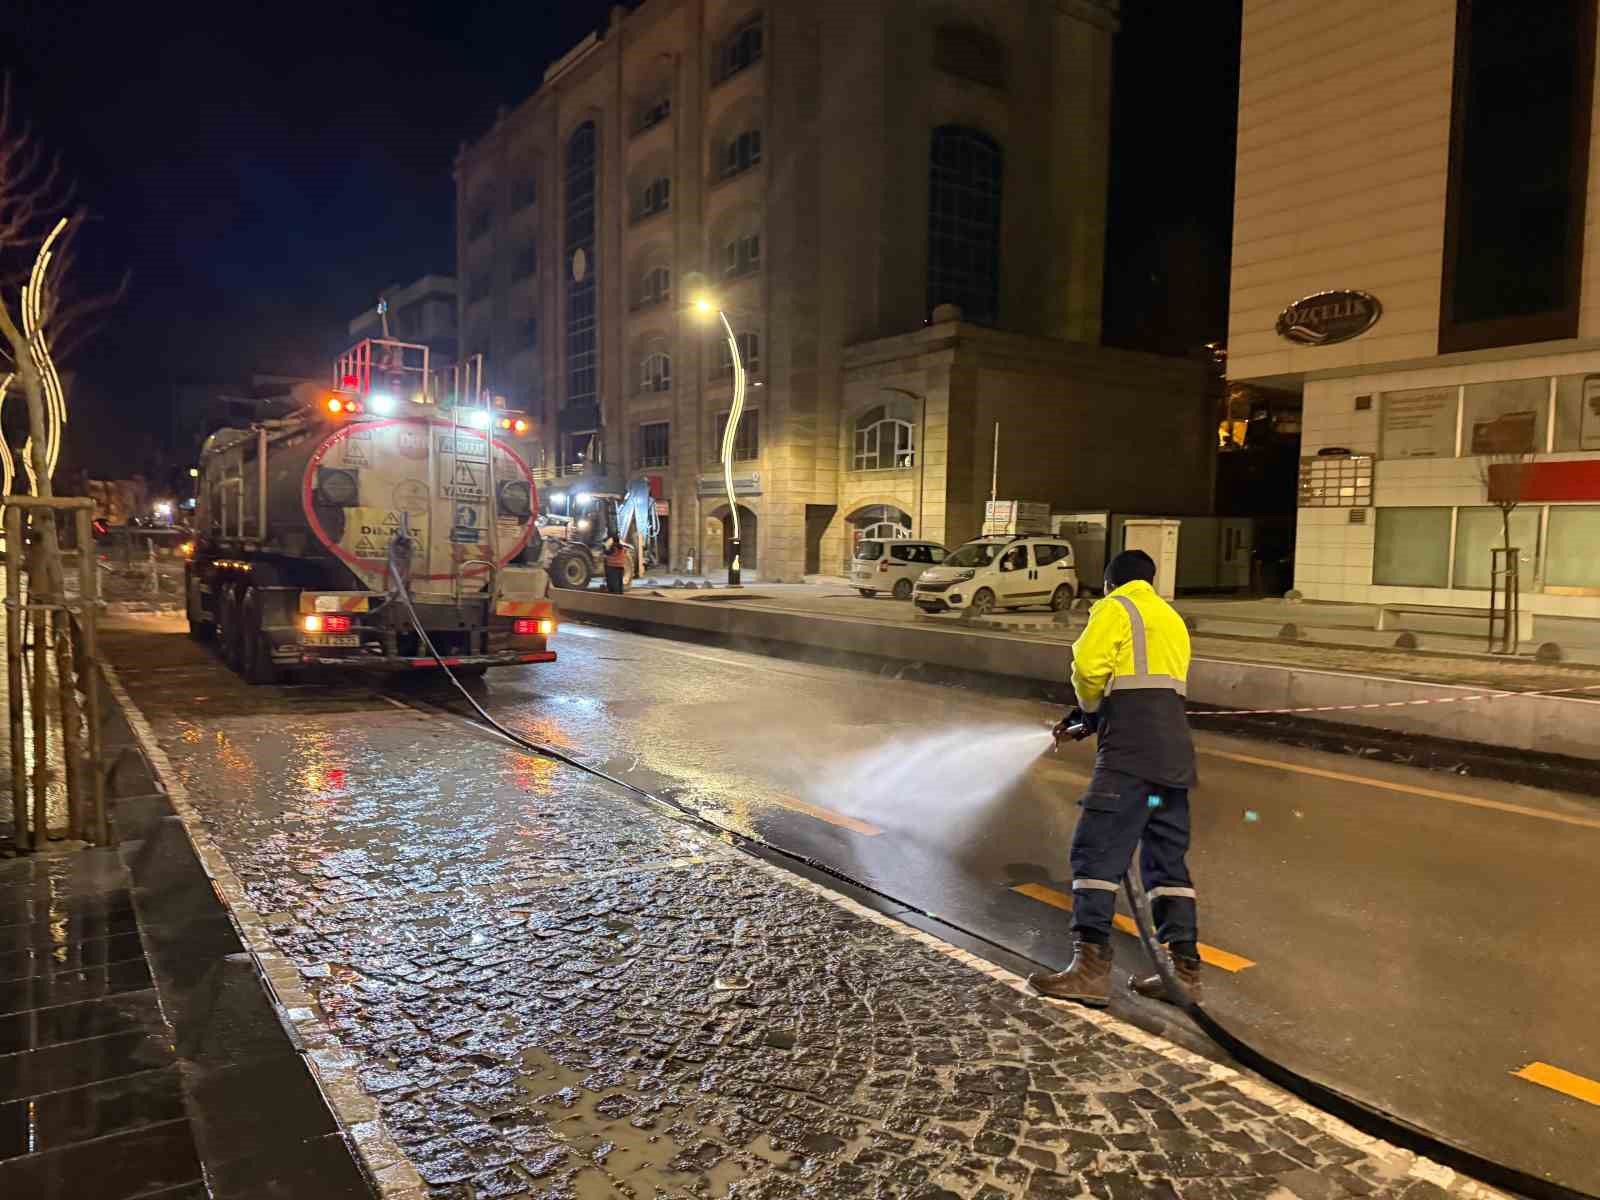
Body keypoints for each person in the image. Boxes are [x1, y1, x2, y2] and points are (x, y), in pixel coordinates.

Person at [1029, 548, 1201, 1008]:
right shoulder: (1170, 618)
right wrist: (1093, 718)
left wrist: (1087, 710)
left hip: (1130, 753)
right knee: (1166, 863)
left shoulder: (1115, 607)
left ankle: (1090, 970)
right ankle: (1183, 971)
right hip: (1174, 753)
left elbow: (1088, 668)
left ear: (1111, 583)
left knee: (1095, 852)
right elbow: (1141, 684)